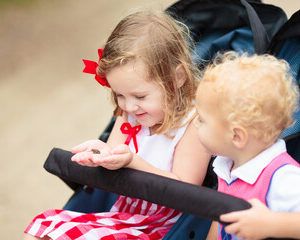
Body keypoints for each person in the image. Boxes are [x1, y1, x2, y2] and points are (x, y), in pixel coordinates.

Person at [22, 10, 211, 240]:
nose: (129, 107)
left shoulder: (191, 124)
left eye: (140, 97)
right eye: (119, 94)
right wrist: (98, 153)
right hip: (122, 214)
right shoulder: (130, 112)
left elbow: (185, 191)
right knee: (45, 228)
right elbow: (112, 152)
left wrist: (133, 161)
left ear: (177, 78)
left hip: (162, 225)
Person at [195, 52, 300, 240]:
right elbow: (222, 219)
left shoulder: (279, 175)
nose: (195, 124)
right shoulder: (227, 163)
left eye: (201, 120)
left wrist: (271, 224)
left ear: (237, 136)